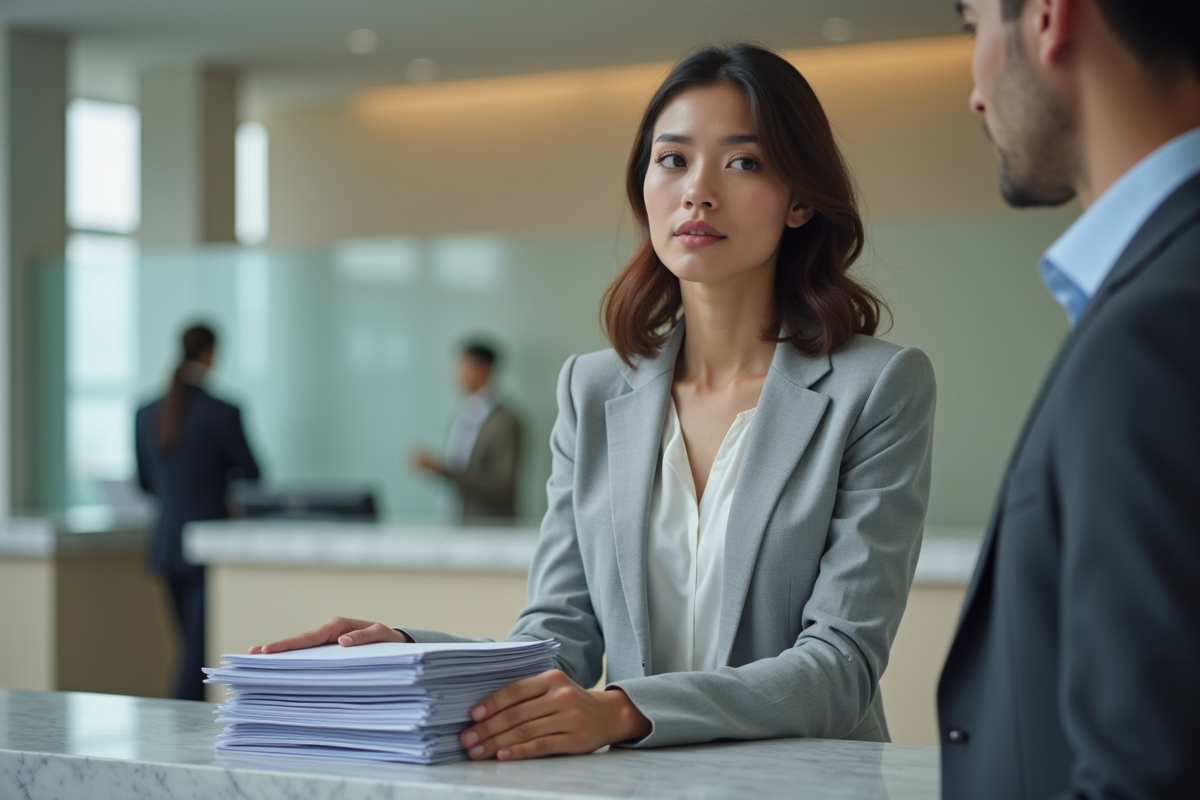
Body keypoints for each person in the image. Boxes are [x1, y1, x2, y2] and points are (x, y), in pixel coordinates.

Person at [253, 44, 936, 761]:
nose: (697, 192)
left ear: (801, 199)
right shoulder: (593, 389)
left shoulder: (878, 387)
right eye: (672, 159)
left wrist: (621, 711)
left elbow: (840, 666)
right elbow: (559, 643)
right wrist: (404, 652)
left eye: (743, 162)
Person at [939, 2, 1200, 798]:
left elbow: (1147, 774)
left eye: (973, 26)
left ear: (1050, 18)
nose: (974, 91)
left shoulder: (1156, 325)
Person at [136, 324, 261, 701]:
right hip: (210, 546)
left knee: (190, 647)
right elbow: (252, 474)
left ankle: (180, 727)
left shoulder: (145, 413)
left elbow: (145, 482)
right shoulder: (222, 411)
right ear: (210, 354)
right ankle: (180, 727)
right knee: (197, 652)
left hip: (166, 545)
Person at [411, 341, 522, 522]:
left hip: (489, 529)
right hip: (457, 522)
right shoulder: (460, 416)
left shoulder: (506, 421)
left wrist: (442, 470)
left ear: (484, 369)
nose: (457, 376)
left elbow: (501, 484)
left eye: (464, 367)